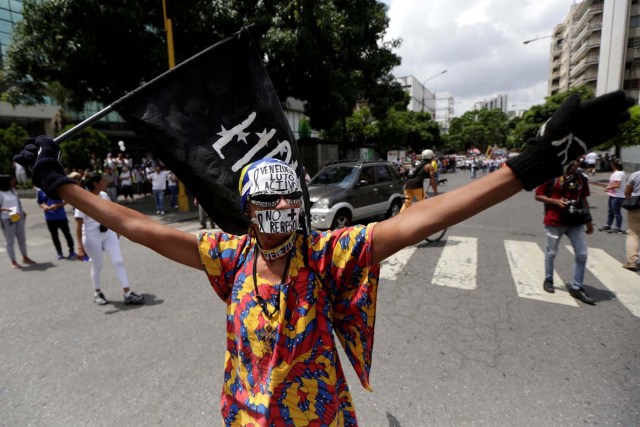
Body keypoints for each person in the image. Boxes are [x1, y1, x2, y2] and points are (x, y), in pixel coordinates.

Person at [15, 91, 633, 425]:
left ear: (301, 204)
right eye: (265, 200)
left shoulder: (329, 256)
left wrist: (525, 169)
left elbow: (422, 217)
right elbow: (140, 227)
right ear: (247, 209)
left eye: (289, 196)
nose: (277, 208)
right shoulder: (228, 258)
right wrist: (63, 186)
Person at [74, 173, 144, 306]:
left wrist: (117, 230)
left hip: (108, 232)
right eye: (103, 180)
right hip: (91, 235)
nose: (106, 182)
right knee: (97, 263)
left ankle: (127, 293)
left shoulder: (104, 196)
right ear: (95, 183)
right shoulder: (83, 199)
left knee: (118, 261)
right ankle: (97, 292)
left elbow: (111, 215)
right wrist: (79, 247)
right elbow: (78, 224)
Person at [534, 160, 595, 304]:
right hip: (555, 221)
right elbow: (538, 195)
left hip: (576, 221)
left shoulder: (581, 178)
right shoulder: (552, 177)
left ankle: (576, 286)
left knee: (582, 254)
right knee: (551, 253)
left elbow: (584, 199)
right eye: (572, 163)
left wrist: (589, 221)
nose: (575, 166)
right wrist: (555, 202)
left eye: (577, 163)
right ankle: (549, 279)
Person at [0, 175, 36, 269]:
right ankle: (13, 261)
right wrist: (4, 209)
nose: (14, 182)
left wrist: (22, 213)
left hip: (17, 217)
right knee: (10, 241)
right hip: (7, 219)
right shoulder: (1, 193)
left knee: (22, 239)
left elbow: (18, 203)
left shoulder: (13, 191)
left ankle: (25, 257)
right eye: (11, 181)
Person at [37, 188, 76, 260]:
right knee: (54, 236)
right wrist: (45, 207)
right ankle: (59, 253)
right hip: (49, 218)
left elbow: (67, 200)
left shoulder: (57, 188)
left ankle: (72, 251)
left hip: (61, 216)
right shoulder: (41, 191)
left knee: (67, 234)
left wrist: (57, 205)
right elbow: (40, 202)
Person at [400, 149, 437, 213]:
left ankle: (399, 218)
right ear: (431, 157)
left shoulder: (416, 163)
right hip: (417, 186)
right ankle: (425, 218)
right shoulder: (429, 166)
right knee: (424, 203)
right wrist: (436, 192)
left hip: (407, 185)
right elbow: (432, 182)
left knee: (407, 203)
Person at [598, 159, 626, 234]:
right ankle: (608, 225)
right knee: (610, 211)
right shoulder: (618, 173)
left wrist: (608, 188)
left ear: (613, 165)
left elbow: (617, 185)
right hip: (613, 195)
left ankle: (618, 227)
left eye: (611, 164)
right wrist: (609, 188)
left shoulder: (618, 174)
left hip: (618, 196)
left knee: (616, 212)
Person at [623, 169, 640, 270]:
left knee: (633, 234)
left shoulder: (636, 175)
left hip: (637, 207)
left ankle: (631, 261)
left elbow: (627, 192)